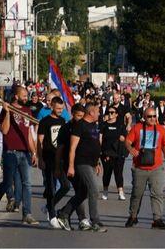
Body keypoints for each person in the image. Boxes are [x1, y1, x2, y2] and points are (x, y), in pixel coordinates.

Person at [0, 86, 38, 225]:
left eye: (27, 95)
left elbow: (29, 135)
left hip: (25, 153)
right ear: (16, 96)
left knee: (27, 184)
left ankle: (27, 214)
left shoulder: (27, 111)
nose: (26, 98)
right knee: (7, 183)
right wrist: (7, 113)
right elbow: (4, 130)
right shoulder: (6, 109)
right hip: (10, 153)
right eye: (24, 95)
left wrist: (34, 152)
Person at [55, 103, 106, 232]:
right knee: (94, 190)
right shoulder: (79, 125)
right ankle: (95, 221)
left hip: (91, 163)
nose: (99, 114)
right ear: (91, 113)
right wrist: (71, 166)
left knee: (83, 192)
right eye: (98, 111)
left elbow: (94, 145)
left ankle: (64, 213)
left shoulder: (93, 126)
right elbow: (72, 148)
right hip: (81, 163)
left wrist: (97, 163)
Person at [125, 107, 165, 230]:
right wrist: (131, 150)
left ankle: (157, 219)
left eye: (154, 116)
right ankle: (133, 216)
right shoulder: (137, 128)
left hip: (156, 167)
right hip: (140, 167)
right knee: (137, 194)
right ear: (144, 117)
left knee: (157, 193)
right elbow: (127, 141)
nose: (152, 119)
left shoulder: (160, 130)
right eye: (149, 116)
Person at [54, 103, 91, 230]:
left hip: (82, 163)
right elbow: (60, 148)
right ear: (72, 114)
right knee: (82, 191)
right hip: (69, 164)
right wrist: (59, 167)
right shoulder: (66, 128)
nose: (80, 118)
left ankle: (70, 215)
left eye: (82, 116)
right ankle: (68, 215)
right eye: (78, 116)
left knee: (82, 191)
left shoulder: (84, 127)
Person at [36, 97, 66, 227]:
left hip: (60, 158)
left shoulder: (62, 120)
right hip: (48, 157)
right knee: (50, 187)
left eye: (62, 108)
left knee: (66, 186)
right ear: (52, 106)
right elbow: (40, 142)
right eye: (58, 108)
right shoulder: (45, 121)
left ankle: (49, 206)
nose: (60, 111)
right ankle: (52, 215)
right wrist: (40, 158)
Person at [100, 106, 129, 200]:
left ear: (116, 114)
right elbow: (100, 138)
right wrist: (101, 151)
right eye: (108, 112)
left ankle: (120, 192)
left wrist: (123, 138)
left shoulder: (121, 125)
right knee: (107, 172)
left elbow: (126, 137)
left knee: (118, 172)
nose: (110, 114)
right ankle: (105, 191)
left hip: (119, 152)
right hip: (106, 152)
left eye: (112, 112)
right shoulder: (103, 125)